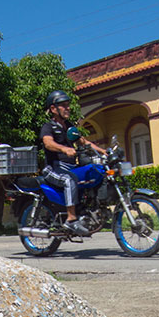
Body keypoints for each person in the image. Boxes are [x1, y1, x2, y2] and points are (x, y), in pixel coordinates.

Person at [38, 90, 106, 236]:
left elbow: (84, 142)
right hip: (53, 169)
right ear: (53, 109)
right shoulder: (48, 126)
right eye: (63, 105)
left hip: (70, 167)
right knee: (69, 180)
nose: (67, 108)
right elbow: (48, 143)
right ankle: (71, 219)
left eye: (68, 105)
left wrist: (103, 151)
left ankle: (92, 209)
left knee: (95, 171)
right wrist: (64, 149)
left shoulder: (69, 127)